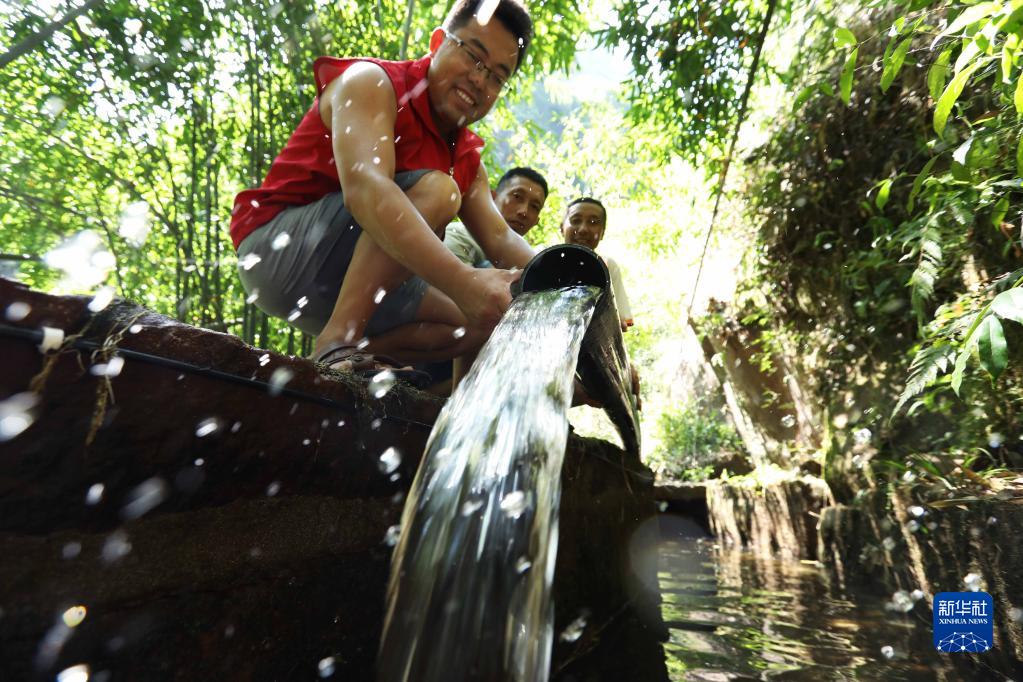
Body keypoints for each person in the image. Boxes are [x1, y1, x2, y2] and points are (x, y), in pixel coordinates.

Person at [229, 0, 535, 383]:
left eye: (496, 77)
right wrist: (463, 282)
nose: (479, 79)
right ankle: (337, 340)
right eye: (474, 56)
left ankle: (356, 359)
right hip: (277, 251)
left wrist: (575, 285)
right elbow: (366, 190)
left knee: (484, 320)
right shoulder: (372, 82)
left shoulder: (467, 159)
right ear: (437, 42)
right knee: (441, 191)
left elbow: (502, 238)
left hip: (353, 282)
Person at [444, 166, 548, 267]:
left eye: (534, 206)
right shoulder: (459, 236)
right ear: (491, 198)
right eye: (517, 196)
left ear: (536, 221)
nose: (524, 211)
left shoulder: (530, 260)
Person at [560, 197, 634, 331]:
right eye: (575, 220)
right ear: (562, 228)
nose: (583, 229)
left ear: (602, 232)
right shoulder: (539, 259)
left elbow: (623, 322)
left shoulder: (608, 266)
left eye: (593, 222)